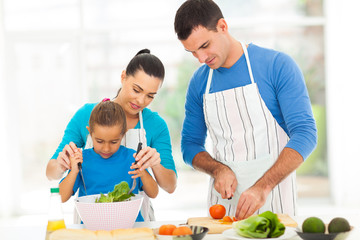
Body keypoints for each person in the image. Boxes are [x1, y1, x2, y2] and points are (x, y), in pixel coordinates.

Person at [174, 0, 317, 220]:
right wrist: (217, 169)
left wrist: (263, 186)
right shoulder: (199, 82)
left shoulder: (276, 65)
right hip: (223, 211)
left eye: (204, 46)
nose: (201, 59)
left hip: (274, 203)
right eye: (192, 52)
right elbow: (189, 146)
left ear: (223, 26)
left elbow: (306, 134)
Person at [46, 49, 177, 221]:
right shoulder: (86, 114)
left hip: (136, 221)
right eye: (136, 90)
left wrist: (154, 165)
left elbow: (170, 186)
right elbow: (51, 174)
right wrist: (62, 165)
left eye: (150, 96)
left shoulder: (156, 125)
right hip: (89, 222)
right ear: (123, 77)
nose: (140, 101)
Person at [59, 100, 158, 222]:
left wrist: (143, 173)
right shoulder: (82, 161)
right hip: (93, 229)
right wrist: (74, 171)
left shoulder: (133, 158)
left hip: (131, 228)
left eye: (114, 142)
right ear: (90, 132)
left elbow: (153, 193)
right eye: (99, 141)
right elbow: (61, 197)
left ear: (123, 134)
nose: (106, 148)